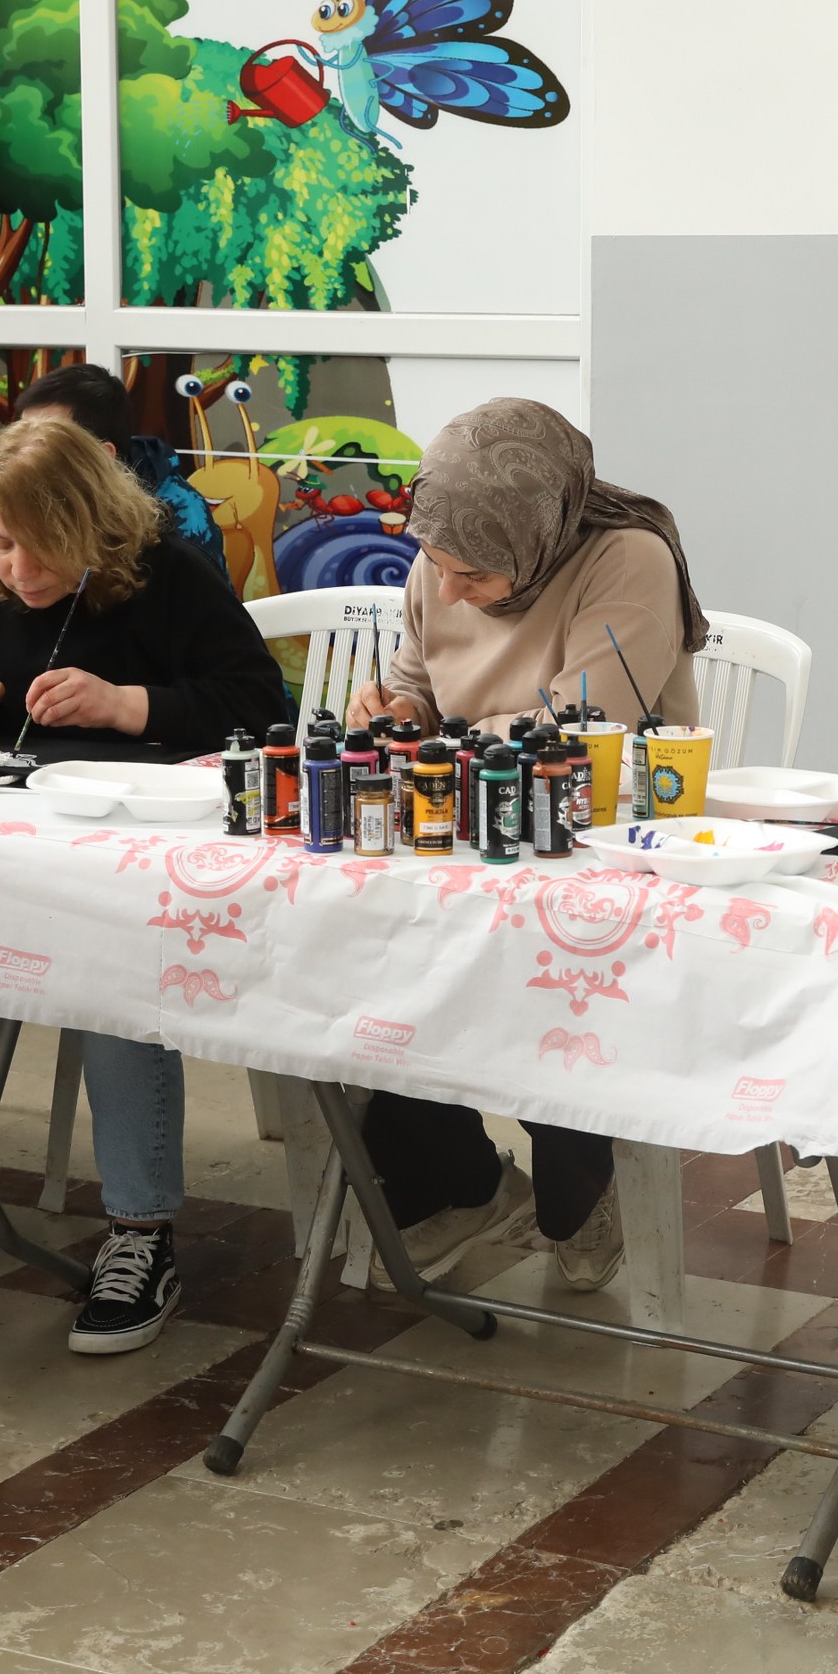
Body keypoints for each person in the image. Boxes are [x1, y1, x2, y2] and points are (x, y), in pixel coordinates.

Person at [0, 417, 286, 1350]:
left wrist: (128, 705)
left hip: (130, 853)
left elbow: (259, 706)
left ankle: (141, 1231)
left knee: (110, 986)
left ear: (92, 526)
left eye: (42, 546)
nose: (19, 569)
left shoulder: (167, 573)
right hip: (4, 838)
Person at [341, 398, 707, 1291]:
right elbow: (416, 684)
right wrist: (393, 711)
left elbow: (584, 725)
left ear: (537, 531)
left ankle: (580, 1183)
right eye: (437, 566)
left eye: (471, 574)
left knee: (541, 968)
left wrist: (437, 738)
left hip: (599, 830)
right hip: (470, 819)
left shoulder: (628, 557)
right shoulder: (443, 554)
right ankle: (464, 1183)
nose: (447, 591)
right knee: (371, 951)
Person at [12, 361, 228, 577]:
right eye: (21, 433)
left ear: (102, 455)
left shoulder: (179, 514)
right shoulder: (20, 492)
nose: (24, 453)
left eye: (45, 443)